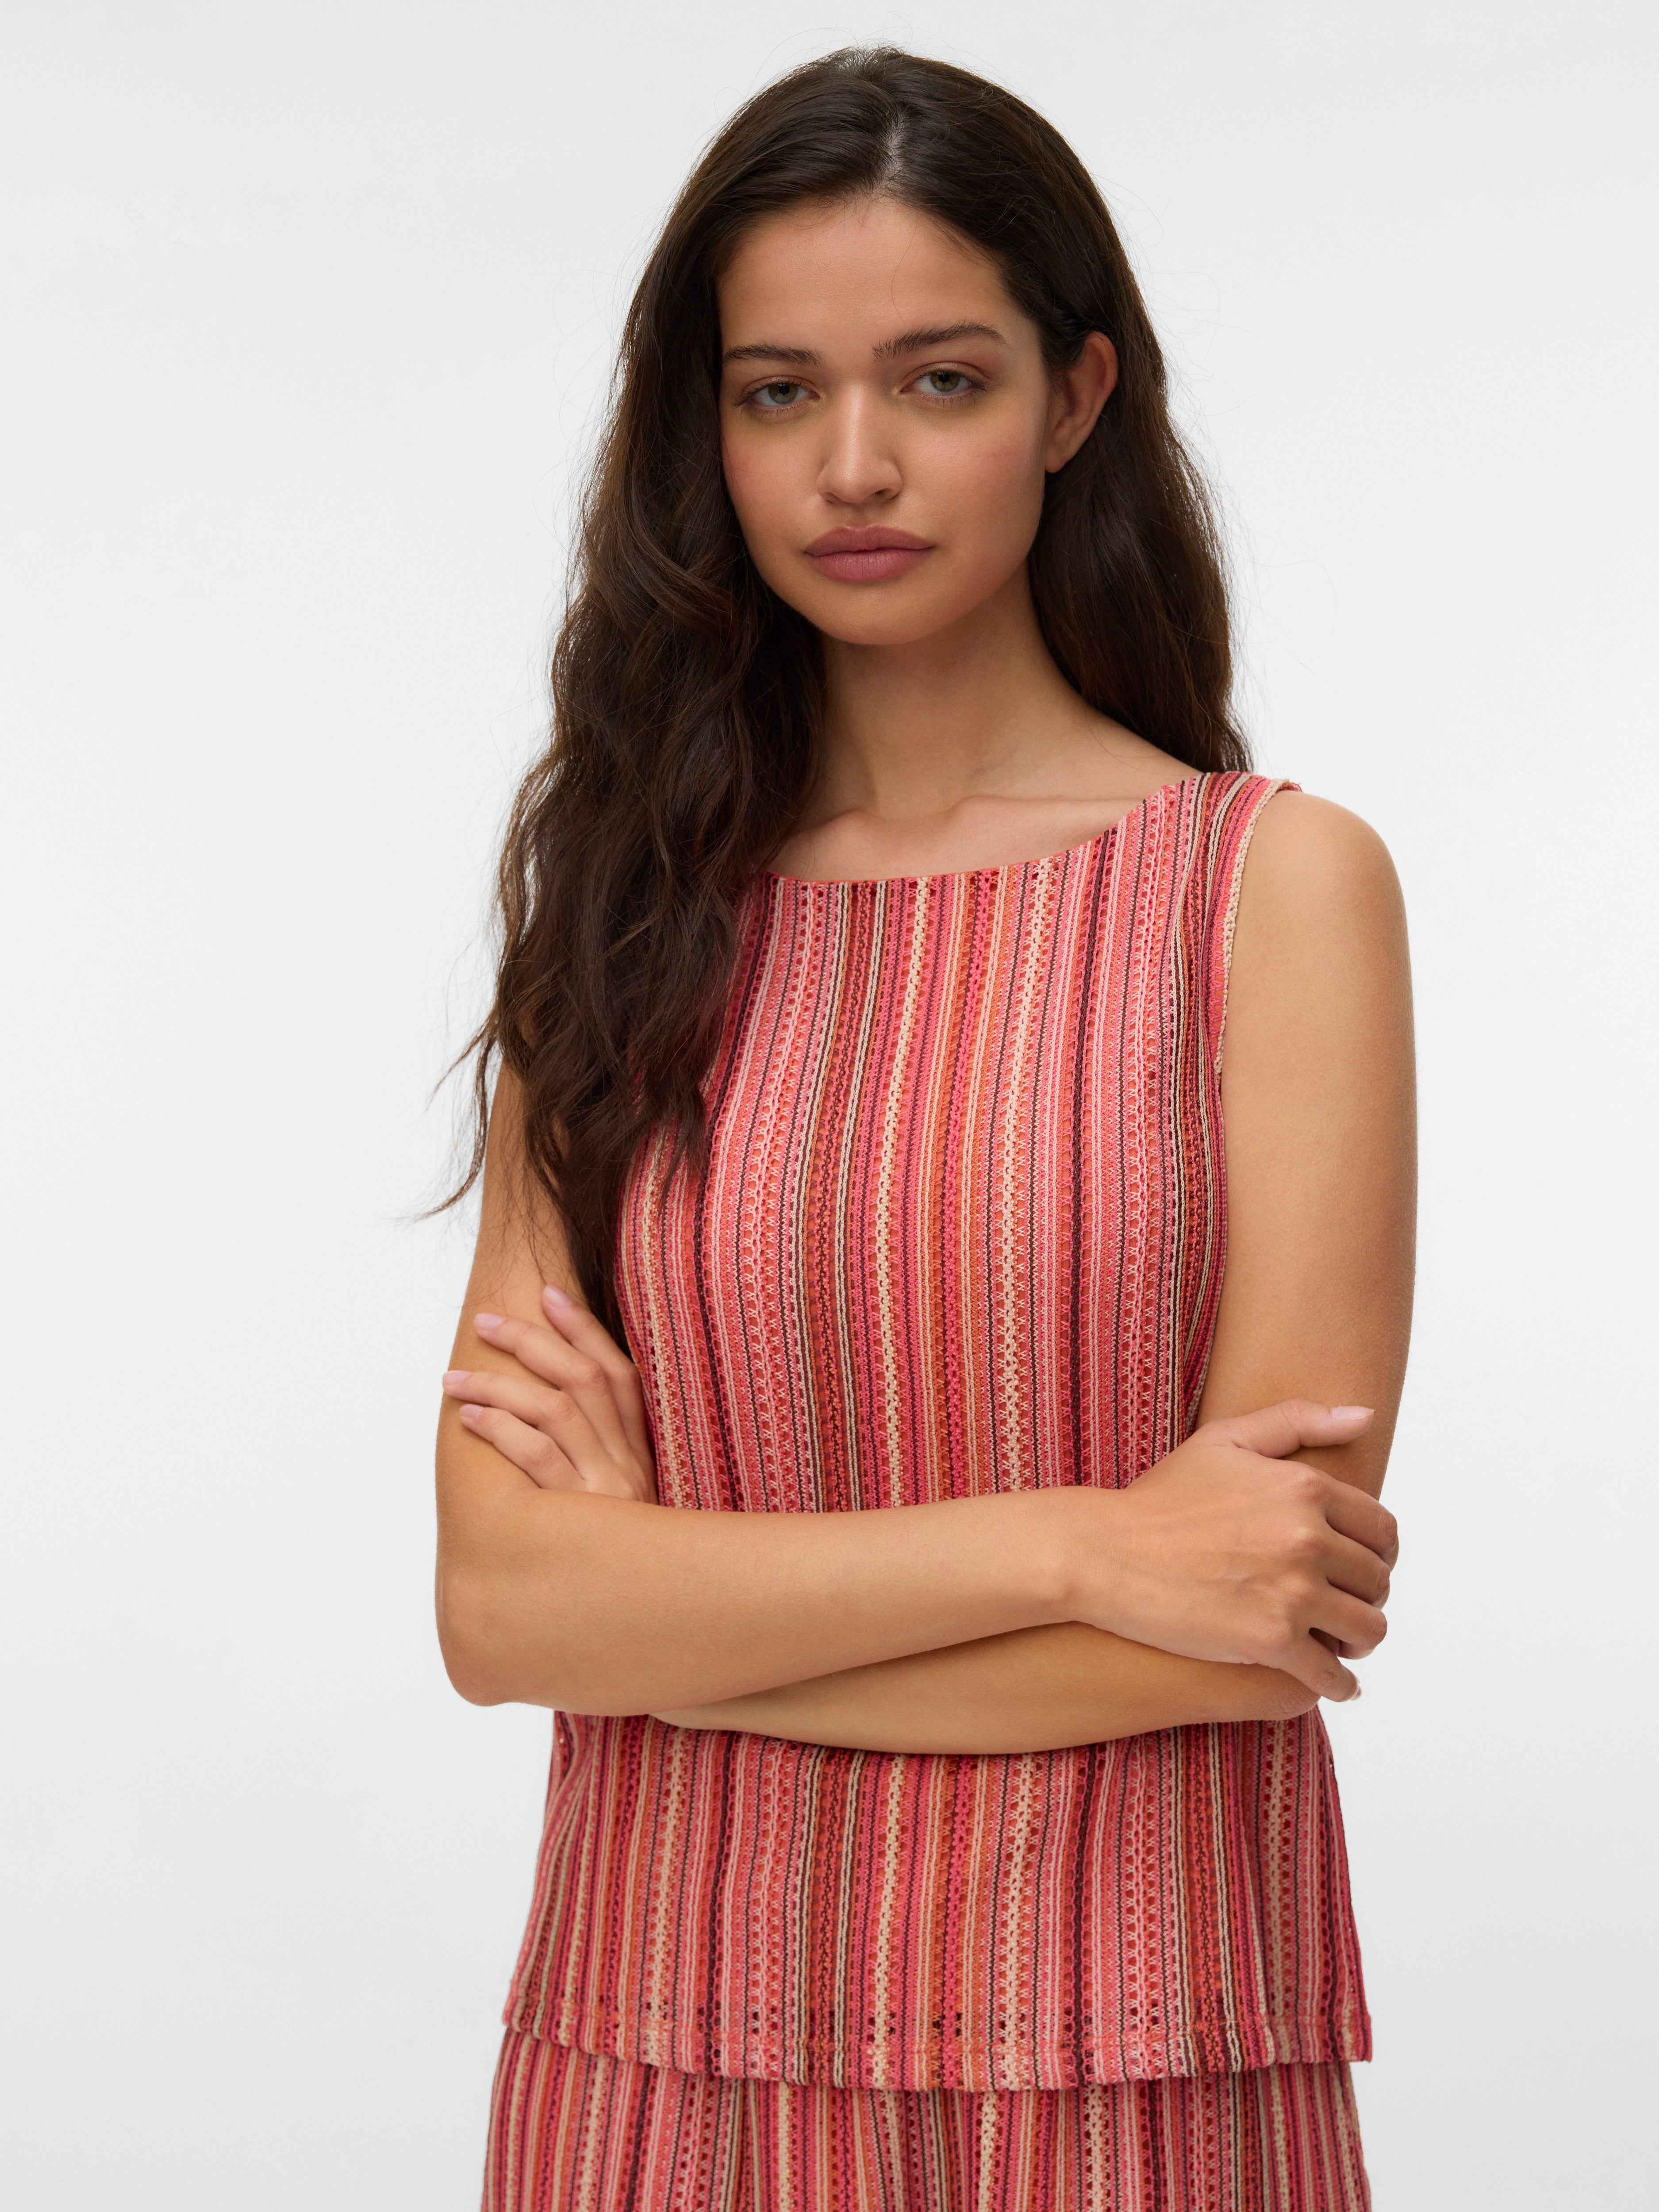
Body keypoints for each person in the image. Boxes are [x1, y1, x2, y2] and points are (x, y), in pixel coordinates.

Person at [433, 46, 1413, 2212]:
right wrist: (1081, 1545)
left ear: (1074, 398)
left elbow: (1253, 1607)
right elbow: (504, 1605)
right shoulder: (622, 916)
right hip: (650, 2059)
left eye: (938, 380)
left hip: (1135, 2046)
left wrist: (671, 1627)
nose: (852, 465)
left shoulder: (1269, 895)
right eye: (775, 391)